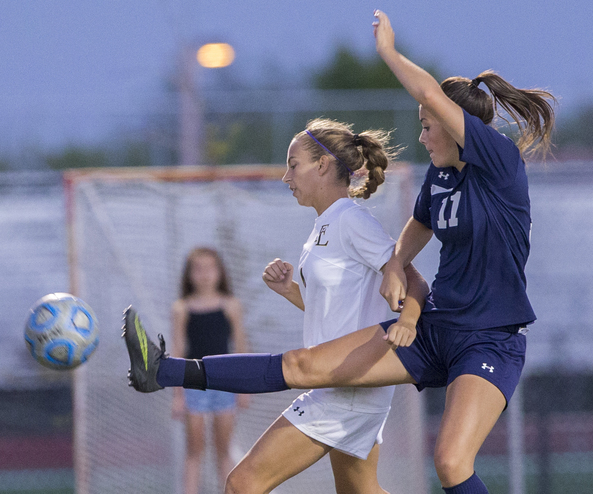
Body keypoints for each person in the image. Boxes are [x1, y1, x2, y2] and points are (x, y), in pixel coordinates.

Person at [123, 10, 556, 494]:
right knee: (305, 372)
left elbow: (431, 93)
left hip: (489, 337)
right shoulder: (440, 177)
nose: (421, 134)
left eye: (427, 125)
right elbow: (417, 226)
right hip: (438, 329)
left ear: (458, 129)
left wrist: (389, 53)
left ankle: (164, 371)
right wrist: (394, 264)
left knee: (451, 463)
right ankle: (162, 370)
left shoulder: (498, 162)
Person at [126, 117, 429, 494]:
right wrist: (290, 291)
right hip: (341, 381)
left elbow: (412, 278)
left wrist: (410, 319)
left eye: (293, 164)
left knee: (242, 484)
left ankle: (165, 370)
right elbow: (336, 311)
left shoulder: (352, 221)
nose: (286, 177)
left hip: (345, 386)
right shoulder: (324, 225)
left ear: (322, 166)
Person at [171, 247, 249, 494]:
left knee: (223, 449)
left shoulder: (230, 306)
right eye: (198, 268)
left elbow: (240, 346)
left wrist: (244, 387)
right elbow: (177, 349)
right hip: (194, 385)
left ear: (220, 272)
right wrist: (177, 394)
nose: (205, 274)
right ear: (189, 274)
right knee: (194, 450)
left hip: (225, 384)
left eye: (210, 268)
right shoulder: (181, 308)